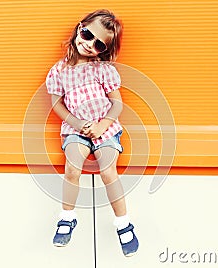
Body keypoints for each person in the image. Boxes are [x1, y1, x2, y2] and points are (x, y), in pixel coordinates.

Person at [45, 9, 138, 257]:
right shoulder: (59, 71)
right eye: (87, 35)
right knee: (73, 166)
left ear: (103, 50)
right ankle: (67, 217)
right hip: (76, 128)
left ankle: (123, 223)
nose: (89, 44)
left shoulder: (103, 70)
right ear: (79, 28)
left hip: (105, 128)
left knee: (108, 171)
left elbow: (117, 103)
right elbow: (56, 104)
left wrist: (101, 125)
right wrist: (76, 123)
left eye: (98, 44)